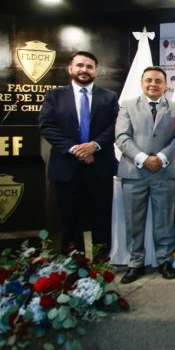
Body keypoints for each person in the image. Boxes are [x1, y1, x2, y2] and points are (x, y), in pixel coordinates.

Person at [38, 51, 118, 259]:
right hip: (66, 169)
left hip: (99, 168)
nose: (84, 70)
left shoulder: (109, 97)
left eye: (89, 66)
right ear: (70, 69)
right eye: (80, 65)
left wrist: (95, 146)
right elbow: (47, 126)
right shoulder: (54, 96)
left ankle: (101, 264)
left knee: (101, 219)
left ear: (96, 71)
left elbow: (116, 126)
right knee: (69, 221)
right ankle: (74, 265)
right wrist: (76, 149)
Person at [115, 66, 175, 284]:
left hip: (164, 171)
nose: (153, 84)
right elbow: (122, 137)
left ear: (166, 85)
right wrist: (144, 158)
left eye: (158, 81)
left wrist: (161, 157)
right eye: (149, 80)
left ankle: (165, 261)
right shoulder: (127, 105)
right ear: (142, 83)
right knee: (133, 221)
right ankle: (135, 263)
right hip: (133, 172)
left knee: (165, 218)